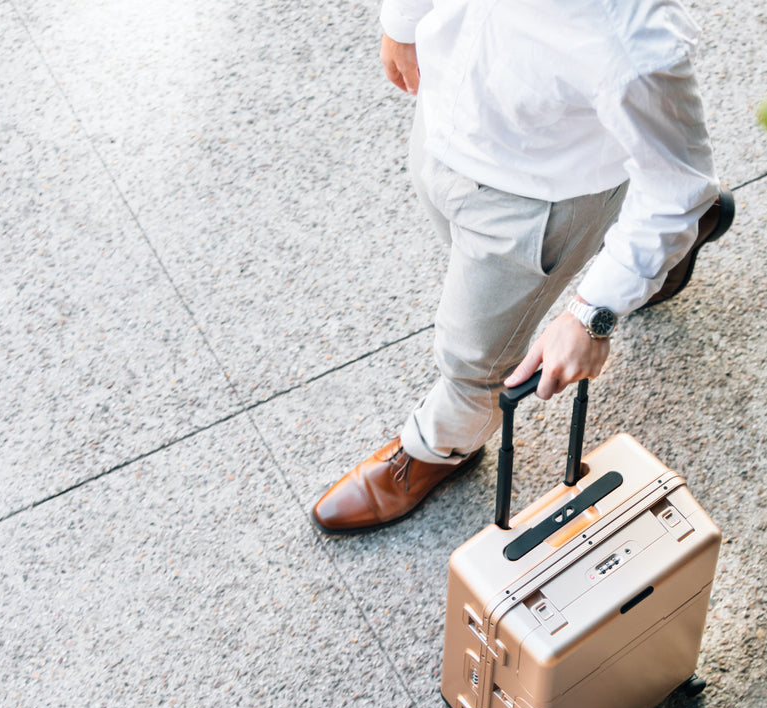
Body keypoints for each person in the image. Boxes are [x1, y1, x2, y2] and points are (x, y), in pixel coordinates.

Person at [311, 0, 733, 533]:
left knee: (474, 357)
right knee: (478, 267)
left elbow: (677, 186)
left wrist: (590, 316)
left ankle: (441, 447)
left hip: (535, 202)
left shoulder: (633, 35)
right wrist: (402, 22)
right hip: (445, 118)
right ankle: (657, 249)